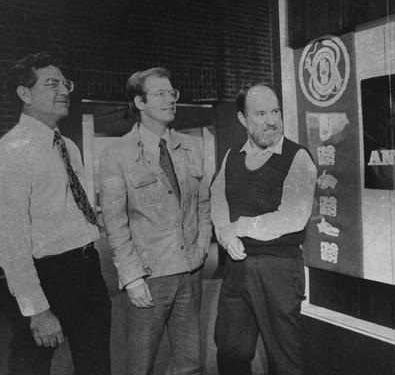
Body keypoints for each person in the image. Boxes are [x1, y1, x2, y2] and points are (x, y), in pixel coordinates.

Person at [0, 52, 111, 375]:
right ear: (25, 93)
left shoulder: (68, 146)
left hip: (88, 271)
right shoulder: (11, 153)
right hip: (46, 276)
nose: (64, 90)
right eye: (52, 84)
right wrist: (37, 311)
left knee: (95, 367)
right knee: (31, 367)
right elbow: (11, 241)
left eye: (66, 83)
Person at [99, 67, 212, 375]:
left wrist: (202, 247)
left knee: (189, 364)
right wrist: (132, 278)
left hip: (190, 272)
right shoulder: (117, 154)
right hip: (148, 278)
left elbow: (203, 205)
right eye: (160, 94)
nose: (170, 99)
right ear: (140, 102)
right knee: (141, 365)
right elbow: (116, 225)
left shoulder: (192, 147)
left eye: (172, 93)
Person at [210, 83, 317, 375]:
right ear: (243, 119)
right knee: (231, 351)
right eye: (261, 113)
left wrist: (239, 227)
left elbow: (292, 217)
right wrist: (224, 235)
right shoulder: (232, 156)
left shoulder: (298, 157)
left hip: (279, 269)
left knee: (285, 359)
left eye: (275, 111)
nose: (272, 120)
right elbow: (217, 202)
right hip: (236, 267)